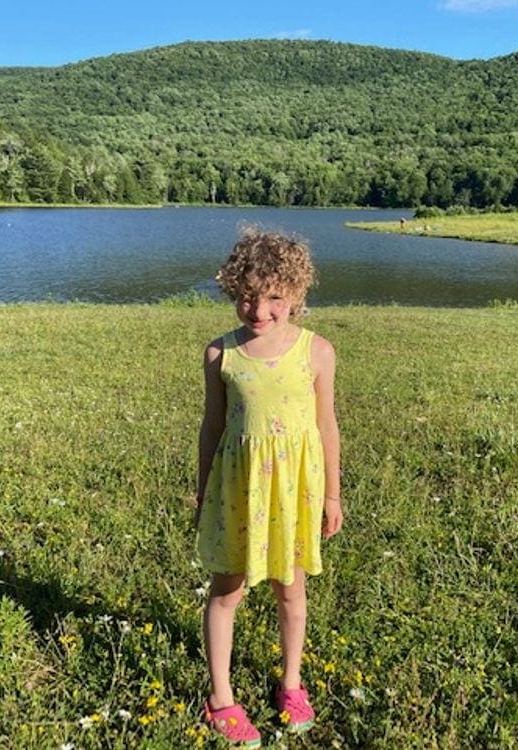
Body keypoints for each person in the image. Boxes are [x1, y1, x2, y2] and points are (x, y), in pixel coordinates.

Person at [196, 228, 343, 746]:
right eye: (246, 296)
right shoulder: (221, 355)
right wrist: (201, 493)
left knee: (291, 590)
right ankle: (221, 698)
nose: (259, 310)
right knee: (226, 591)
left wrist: (331, 494)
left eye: (275, 297)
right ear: (232, 291)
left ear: (297, 296)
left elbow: (326, 426)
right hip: (237, 491)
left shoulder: (317, 352)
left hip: (294, 493)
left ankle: (291, 683)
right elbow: (212, 429)